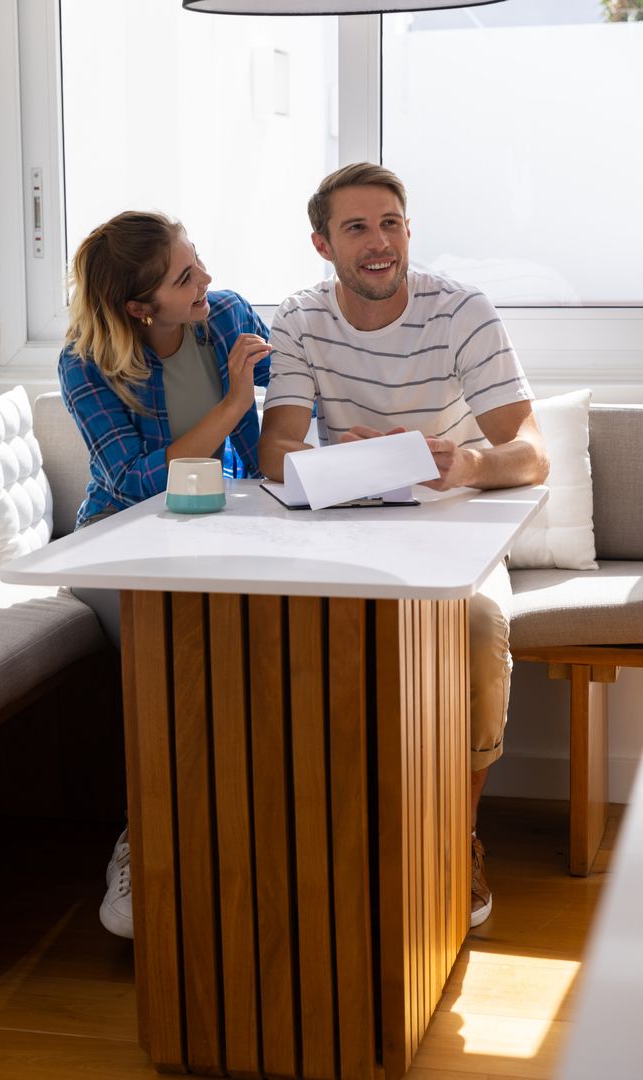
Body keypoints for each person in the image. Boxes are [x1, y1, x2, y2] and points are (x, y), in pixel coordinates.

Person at [258, 163, 549, 929]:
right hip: (346, 534)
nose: (379, 242)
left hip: (454, 531)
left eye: (391, 223)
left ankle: (458, 833)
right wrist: (346, 457)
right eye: (356, 228)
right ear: (323, 244)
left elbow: (531, 450)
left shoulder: (461, 311)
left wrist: (471, 463)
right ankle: (318, 844)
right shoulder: (299, 317)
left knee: (481, 632)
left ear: (409, 230)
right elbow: (275, 451)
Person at [59, 210, 272, 938]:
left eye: (198, 261)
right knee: (163, 658)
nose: (206, 280)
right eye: (186, 277)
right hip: (116, 547)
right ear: (139, 308)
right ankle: (141, 840)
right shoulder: (84, 364)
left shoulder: (227, 317)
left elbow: (306, 381)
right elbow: (134, 481)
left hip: (223, 533)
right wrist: (237, 403)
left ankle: (243, 839)